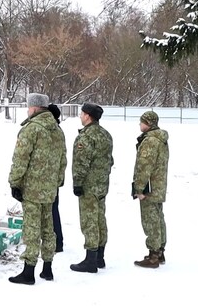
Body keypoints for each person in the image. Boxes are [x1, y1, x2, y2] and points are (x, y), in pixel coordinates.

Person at [7, 93, 67, 284]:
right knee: (48, 228)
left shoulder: (31, 129)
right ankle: (47, 268)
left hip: (32, 188)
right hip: (49, 189)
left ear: (34, 108)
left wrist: (14, 182)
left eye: (28, 107)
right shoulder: (57, 130)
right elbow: (62, 161)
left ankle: (28, 271)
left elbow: (20, 159)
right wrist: (57, 182)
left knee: (32, 228)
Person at [70, 102, 114, 273]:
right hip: (102, 185)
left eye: (82, 113)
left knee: (89, 221)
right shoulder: (106, 135)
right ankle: (100, 257)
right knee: (100, 219)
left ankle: (90, 260)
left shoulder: (86, 137)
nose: (80, 116)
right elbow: (110, 160)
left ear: (88, 116)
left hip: (89, 185)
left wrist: (78, 183)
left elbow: (81, 163)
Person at [132, 110, 170, 268]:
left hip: (150, 187)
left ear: (148, 123)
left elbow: (144, 166)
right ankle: (160, 251)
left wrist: (139, 188)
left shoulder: (150, 141)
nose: (139, 124)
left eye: (142, 122)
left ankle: (153, 255)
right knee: (158, 218)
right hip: (159, 185)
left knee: (150, 220)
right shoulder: (161, 140)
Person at [48, 103, 65, 252]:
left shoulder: (53, 131)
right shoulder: (59, 131)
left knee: (51, 211)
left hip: (48, 178)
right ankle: (58, 241)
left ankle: (56, 242)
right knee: (54, 209)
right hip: (55, 178)